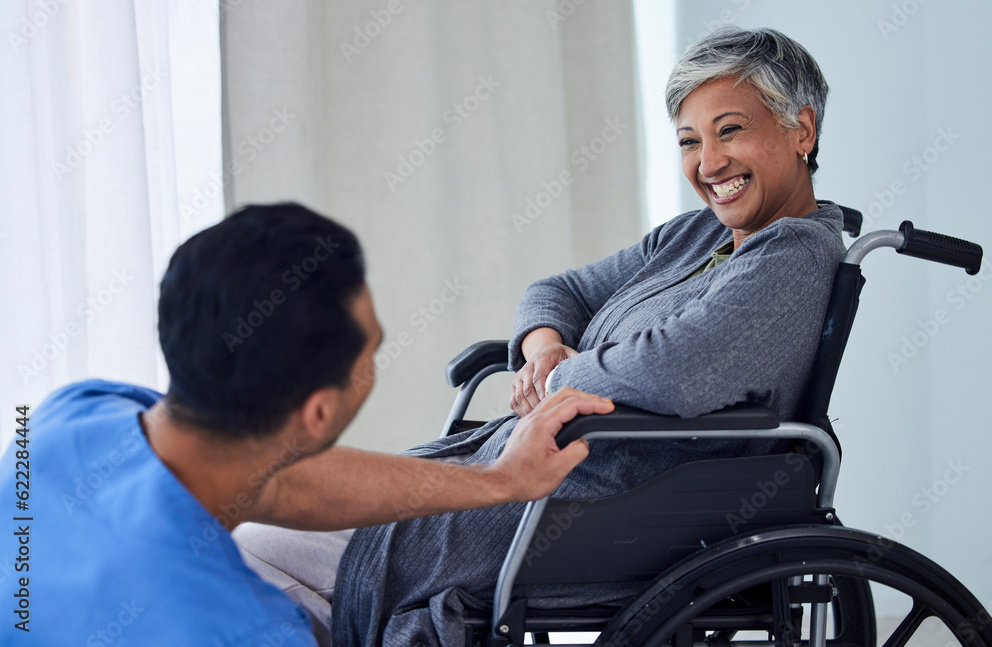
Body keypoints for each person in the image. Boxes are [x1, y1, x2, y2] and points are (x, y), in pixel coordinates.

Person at [316, 26, 846, 646]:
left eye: (729, 130)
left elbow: (674, 369)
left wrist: (558, 380)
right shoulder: (694, 235)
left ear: (801, 129)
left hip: (609, 502)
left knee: (277, 550)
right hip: (545, 473)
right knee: (289, 534)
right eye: (689, 141)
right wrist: (543, 349)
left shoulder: (790, 259)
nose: (708, 164)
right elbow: (556, 291)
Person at [0, 204, 609, 646]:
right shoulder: (243, 630)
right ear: (318, 411)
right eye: (371, 350)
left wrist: (500, 480)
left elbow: (280, 481)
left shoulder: (72, 413)